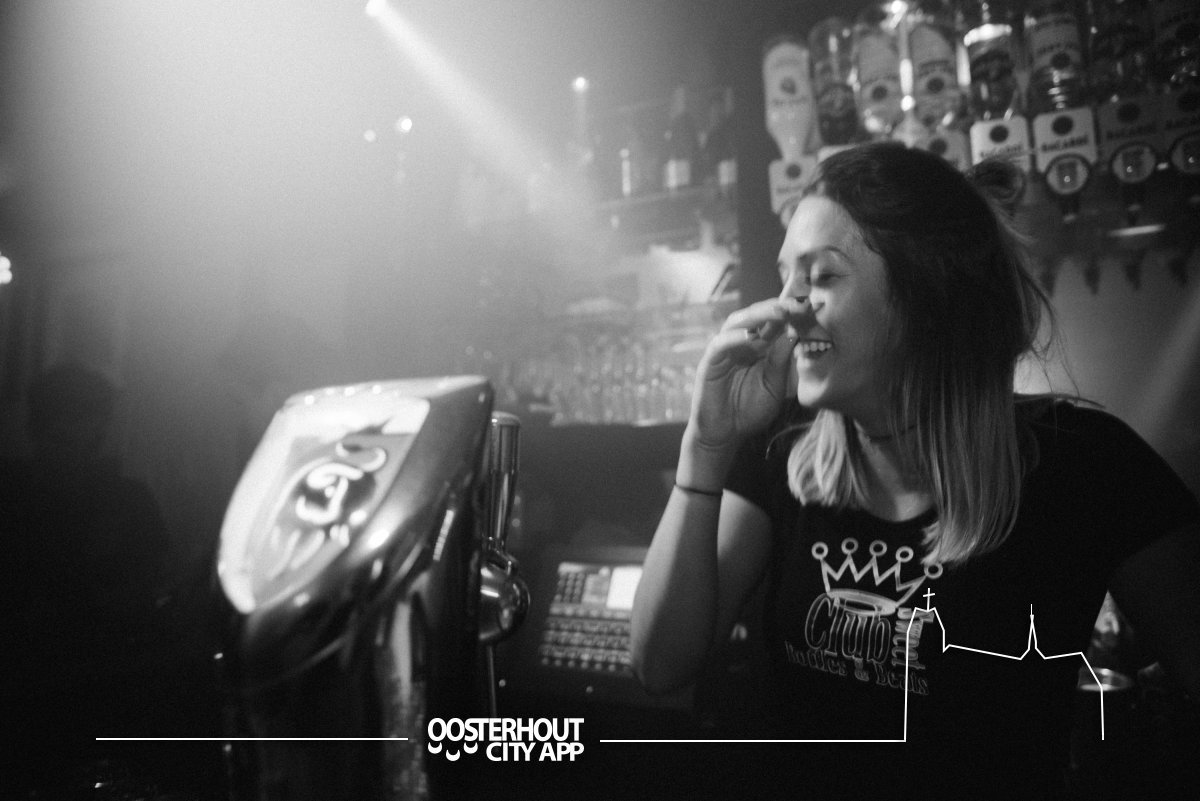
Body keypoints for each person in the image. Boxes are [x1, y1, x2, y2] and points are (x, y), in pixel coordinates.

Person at [630, 142, 1200, 799]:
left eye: (821, 276)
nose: (786, 307)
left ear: (925, 296)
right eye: (786, 278)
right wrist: (706, 443)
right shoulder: (780, 451)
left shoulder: (1084, 463)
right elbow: (658, 665)